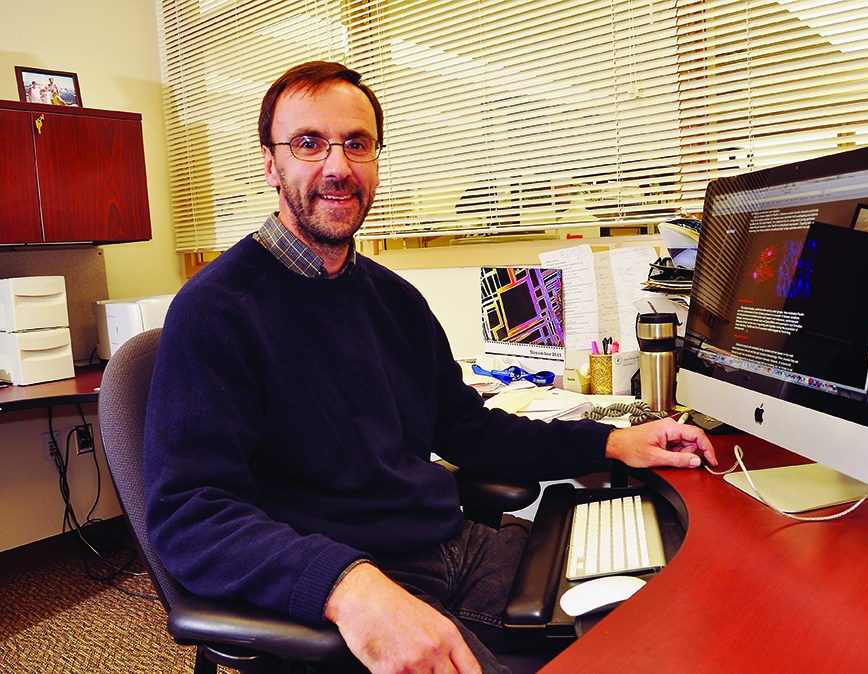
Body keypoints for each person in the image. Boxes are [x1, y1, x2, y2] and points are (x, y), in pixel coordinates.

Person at [144, 61, 716, 674]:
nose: (337, 166)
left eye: (357, 144)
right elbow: (190, 513)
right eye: (309, 143)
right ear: (270, 163)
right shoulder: (216, 311)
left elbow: (472, 431)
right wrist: (347, 587)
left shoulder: (393, 300)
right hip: (347, 584)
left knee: (664, 616)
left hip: (454, 546)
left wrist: (614, 441)